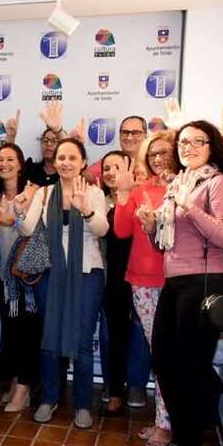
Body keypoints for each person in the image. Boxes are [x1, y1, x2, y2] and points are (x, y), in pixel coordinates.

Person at [137, 120, 223, 446]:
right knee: (164, 361)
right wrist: (152, 227)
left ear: (213, 146)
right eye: (183, 142)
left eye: (198, 141)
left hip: (206, 282)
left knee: (187, 366)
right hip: (177, 281)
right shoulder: (179, 183)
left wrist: (190, 207)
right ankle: (205, 399)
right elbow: (168, 241)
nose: (188, 147)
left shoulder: (217, 183)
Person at [20, 138, 108, 429]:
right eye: (61, 157)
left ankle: (83, 404)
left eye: (72, 157)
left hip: (86, 273)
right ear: (55, 162)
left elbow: (102, 229)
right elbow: (27, 229)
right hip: (51, 275)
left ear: (83, 162)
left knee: (83, 340)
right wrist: (23, 206)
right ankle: (49, 398)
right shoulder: (44, 193)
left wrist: (86, 210)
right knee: (49, 337)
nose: (66, 162)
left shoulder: (93, 193)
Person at [113, 130, 178, 446]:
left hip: (177, 280)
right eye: (152, 154)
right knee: (159, 354)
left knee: (170, 356)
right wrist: (125, 194)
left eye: (164, 152)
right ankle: (164, 421)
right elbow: (122, 230)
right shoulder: (141, 190)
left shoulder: (184, 187)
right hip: (142, 281)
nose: (158, 158)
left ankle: (169, 424)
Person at [0, 143, 41, 413]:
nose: (4, 164)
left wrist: (9, 218)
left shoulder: (33, 192)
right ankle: (17, 380)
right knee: (12, 332)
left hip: (29, 275)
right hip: (7, 274)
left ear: (20, 164)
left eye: (10, 159)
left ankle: (25, 387)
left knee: (28, 332)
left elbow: (30, 229)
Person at [98, 150, 133, 418]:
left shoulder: (138, 198)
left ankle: (141, 389)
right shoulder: (98, 201)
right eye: (106, 167)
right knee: (116, 337)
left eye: (116, 167)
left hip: (142, 276)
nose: (110, 172)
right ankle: (116, 392)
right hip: (113, 281)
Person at [85, 115, 147, 182]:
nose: (129, 137)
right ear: (120, 135)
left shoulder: (153, 162)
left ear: (145, 135)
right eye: (125, 132)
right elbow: (86, 177)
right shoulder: (110, 161)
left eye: (135, 133)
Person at [25, 103, 66, 186]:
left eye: (54, 141)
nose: (49, 144)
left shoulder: (68, 171)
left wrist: (59, 130)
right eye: (45, 140)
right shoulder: (30, 169)